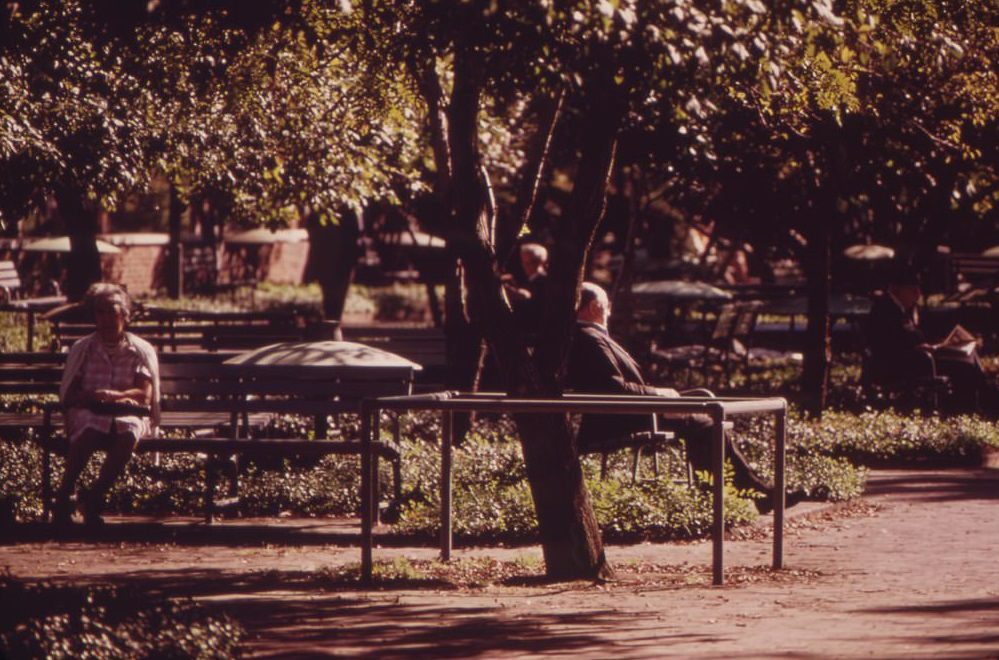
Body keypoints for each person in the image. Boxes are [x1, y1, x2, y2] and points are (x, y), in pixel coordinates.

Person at [567, 282, 803, 513]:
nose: (610, 311)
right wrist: (658, 394)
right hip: (620, 418)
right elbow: (613, 387)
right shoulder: (589, 338)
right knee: (705, 423)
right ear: (594, 307)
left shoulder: (591, 336)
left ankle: (750, 492)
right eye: (607, 306)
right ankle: (746, 493)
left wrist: (660, 396)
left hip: (632, 412)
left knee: (708, 416)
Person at [53, 283, 160, 526]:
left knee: (128, 432)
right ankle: (65, 494)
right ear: (94, 317)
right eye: (101, 313)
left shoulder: (139, 350)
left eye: (113, 312)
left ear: (125, 316)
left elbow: (144, 394)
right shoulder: (84, 348)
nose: (107, 319)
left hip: (128, 411)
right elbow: (70, 391)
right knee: (90, 428)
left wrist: (114, 396)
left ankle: (94, 497)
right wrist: (89, 396)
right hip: (89, 411)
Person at [866, 267, 997, 412]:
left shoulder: (898, 307)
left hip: (914, 356)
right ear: (897, 289)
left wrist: (935, 343)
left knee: (970, 355)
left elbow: (912, 334)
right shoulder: (886, 309)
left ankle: (986, 399)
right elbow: (890, 344)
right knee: (963, 366)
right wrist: (921, 347)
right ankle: (966, 408)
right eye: (913, 291)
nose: (918, 295)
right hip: (902, 363)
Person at [504, 243, 549, 337]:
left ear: (541, 262)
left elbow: (532, 300)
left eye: (530, 262)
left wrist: (515, 292)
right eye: (524, 262)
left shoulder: (543, 281)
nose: (526, 266)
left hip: (532, 332)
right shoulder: (531, 280)